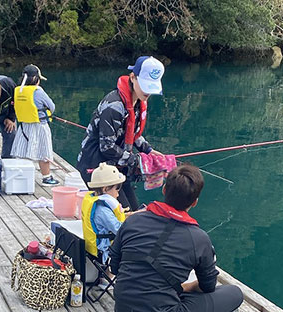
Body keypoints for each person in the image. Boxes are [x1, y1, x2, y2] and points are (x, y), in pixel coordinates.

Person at [110, 164, 243, 312]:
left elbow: (114, 266)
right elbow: (208, 286)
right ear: (195, 202)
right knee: (234, 293)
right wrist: (187, 287)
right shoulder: (198, 237)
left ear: (164, 189)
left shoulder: (133, 221)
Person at [77, 56, 166, 211]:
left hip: (117, 166)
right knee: (123, 215)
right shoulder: (114, 106)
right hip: (96, 166)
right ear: (133, 77)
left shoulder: (138, 102)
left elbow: (133, 134)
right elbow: (107, 147)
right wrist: (138, 161)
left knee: (136, 211)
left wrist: (149, 151)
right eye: (146, 86)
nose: (148, 92)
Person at [10, 64, 59, 186]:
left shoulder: (18, 90)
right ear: (36, 79)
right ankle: (46, 178)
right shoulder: (38, 91)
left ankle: (20, 176)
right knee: (44, 152)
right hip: (40, 125)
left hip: (24, 126)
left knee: (21, 151)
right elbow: (51, 107)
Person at [81, 163, 126, 287]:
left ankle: (106, 275)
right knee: (131, 245)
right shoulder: (103, 210)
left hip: (91, 246)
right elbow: (119, 230)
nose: (118, 193)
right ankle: (108, 278)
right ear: (105, 189)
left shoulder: (93, 200)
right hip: (102, 251)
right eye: (117, 188)